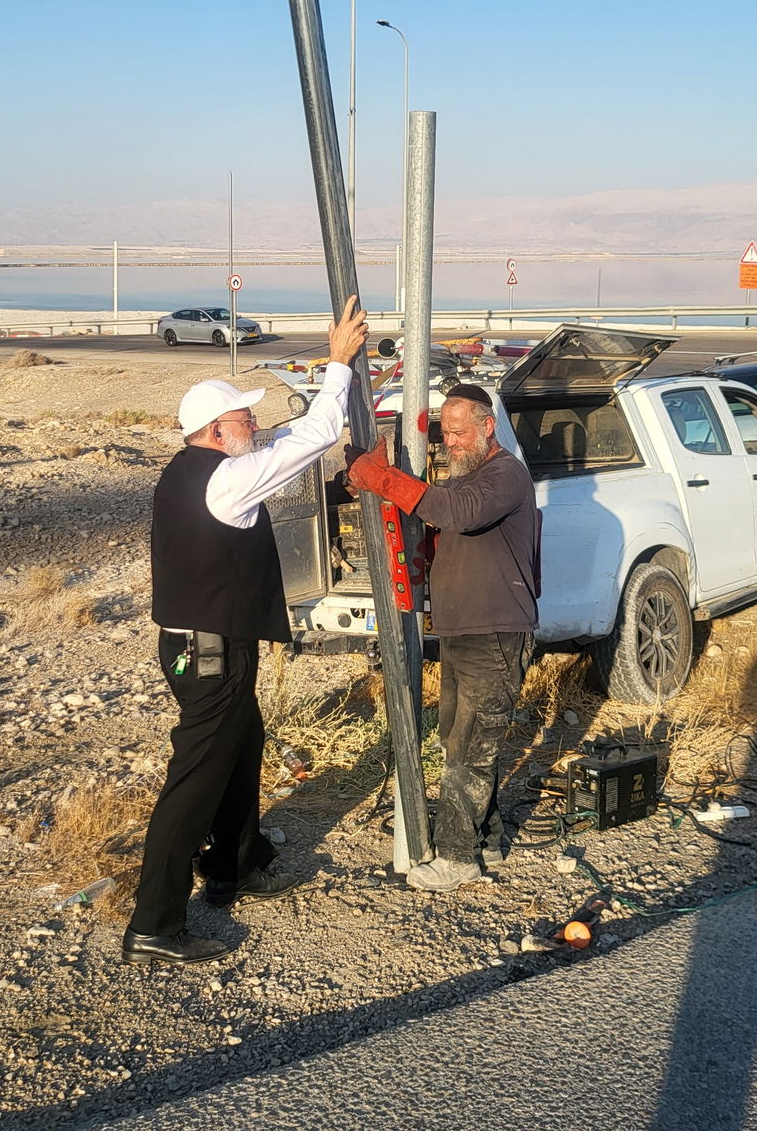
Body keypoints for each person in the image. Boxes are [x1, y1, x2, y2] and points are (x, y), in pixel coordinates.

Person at [121, 295, 369, 967]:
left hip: (201, 648)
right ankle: (154, 924)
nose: (253, 421)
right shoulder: (227, 481)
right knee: (192, 784)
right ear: (212, 428)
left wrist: (320, 397)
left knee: (243, 745)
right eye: (242, 415)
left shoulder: (197, 471)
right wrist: (338, 366)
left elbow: (288, 443)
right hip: (210, 655)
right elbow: (311, 438)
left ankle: (236, 864)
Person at [347, 383, 540, 893]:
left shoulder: (504, 475)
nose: (450, 442)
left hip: (495, 632)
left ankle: (458, 858)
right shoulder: (464, 478)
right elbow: (443, 518)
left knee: (472, 745)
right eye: (445, 433)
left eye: (459, 432)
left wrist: (384, 479)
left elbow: (458, 513)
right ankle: (488, 837)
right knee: (460, 739)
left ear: (486, 426)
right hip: (464, 632)